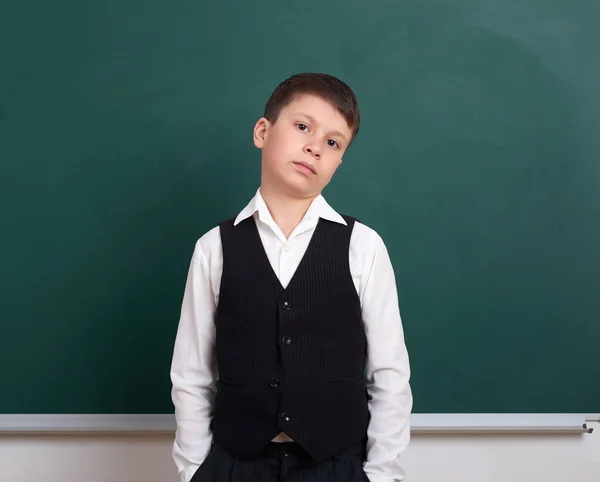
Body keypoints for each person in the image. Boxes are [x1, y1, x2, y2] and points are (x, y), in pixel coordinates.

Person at [170, 72, 412, 482]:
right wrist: (195, 469)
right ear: (263, 131)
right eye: (303, 127)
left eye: (333, 143)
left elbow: (389, 374)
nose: (315, 147)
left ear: (339, 161)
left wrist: (380, 475)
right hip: (234, 465)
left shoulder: (364, 246)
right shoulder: (214, 247)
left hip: (337, 466)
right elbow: (191, 373)